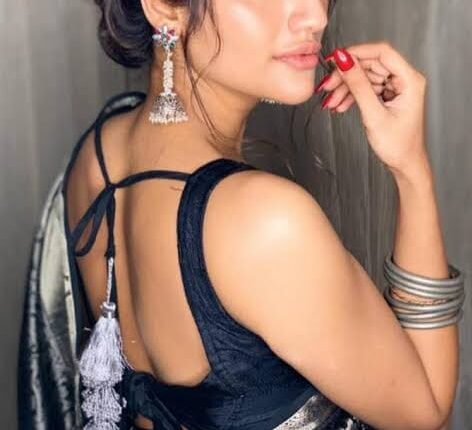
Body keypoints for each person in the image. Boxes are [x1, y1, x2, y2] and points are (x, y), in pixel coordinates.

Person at [22, 0, 465, 429]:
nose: (315, 15)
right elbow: (424, 416)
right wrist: (411, 171)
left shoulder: (97, 156)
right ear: (163, 7)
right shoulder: (265, 224)